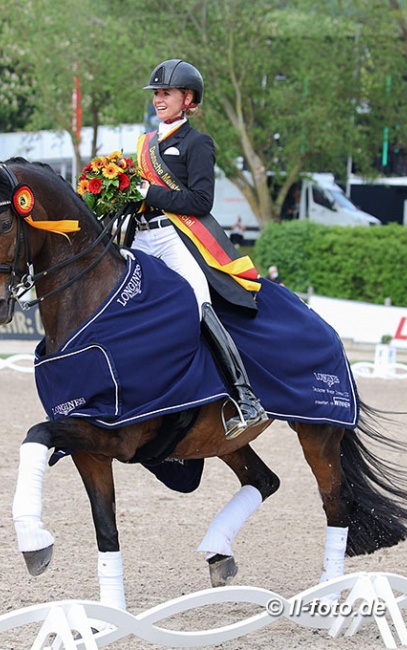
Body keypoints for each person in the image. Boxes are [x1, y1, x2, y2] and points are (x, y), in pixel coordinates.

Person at [124, 58, 267, 439]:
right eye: (156, 93)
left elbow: (201, 201)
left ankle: (245, 398)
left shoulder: (198, 143)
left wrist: (147, 192)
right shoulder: (144, 145)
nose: (158, 99)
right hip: (139, 235)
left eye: (165, 93)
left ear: (187, 98)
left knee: (199, 303)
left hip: (175, 238)